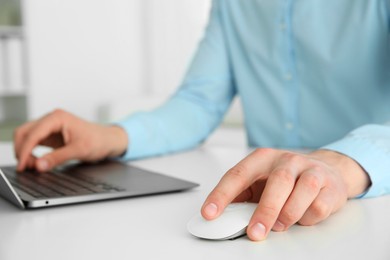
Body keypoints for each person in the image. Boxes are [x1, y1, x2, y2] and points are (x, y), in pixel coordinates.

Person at [13, 1, 390, 241]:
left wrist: (342, 164)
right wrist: (112, 135)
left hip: (370, 210)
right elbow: (198, 102)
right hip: (262, 206)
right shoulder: (233, 6)